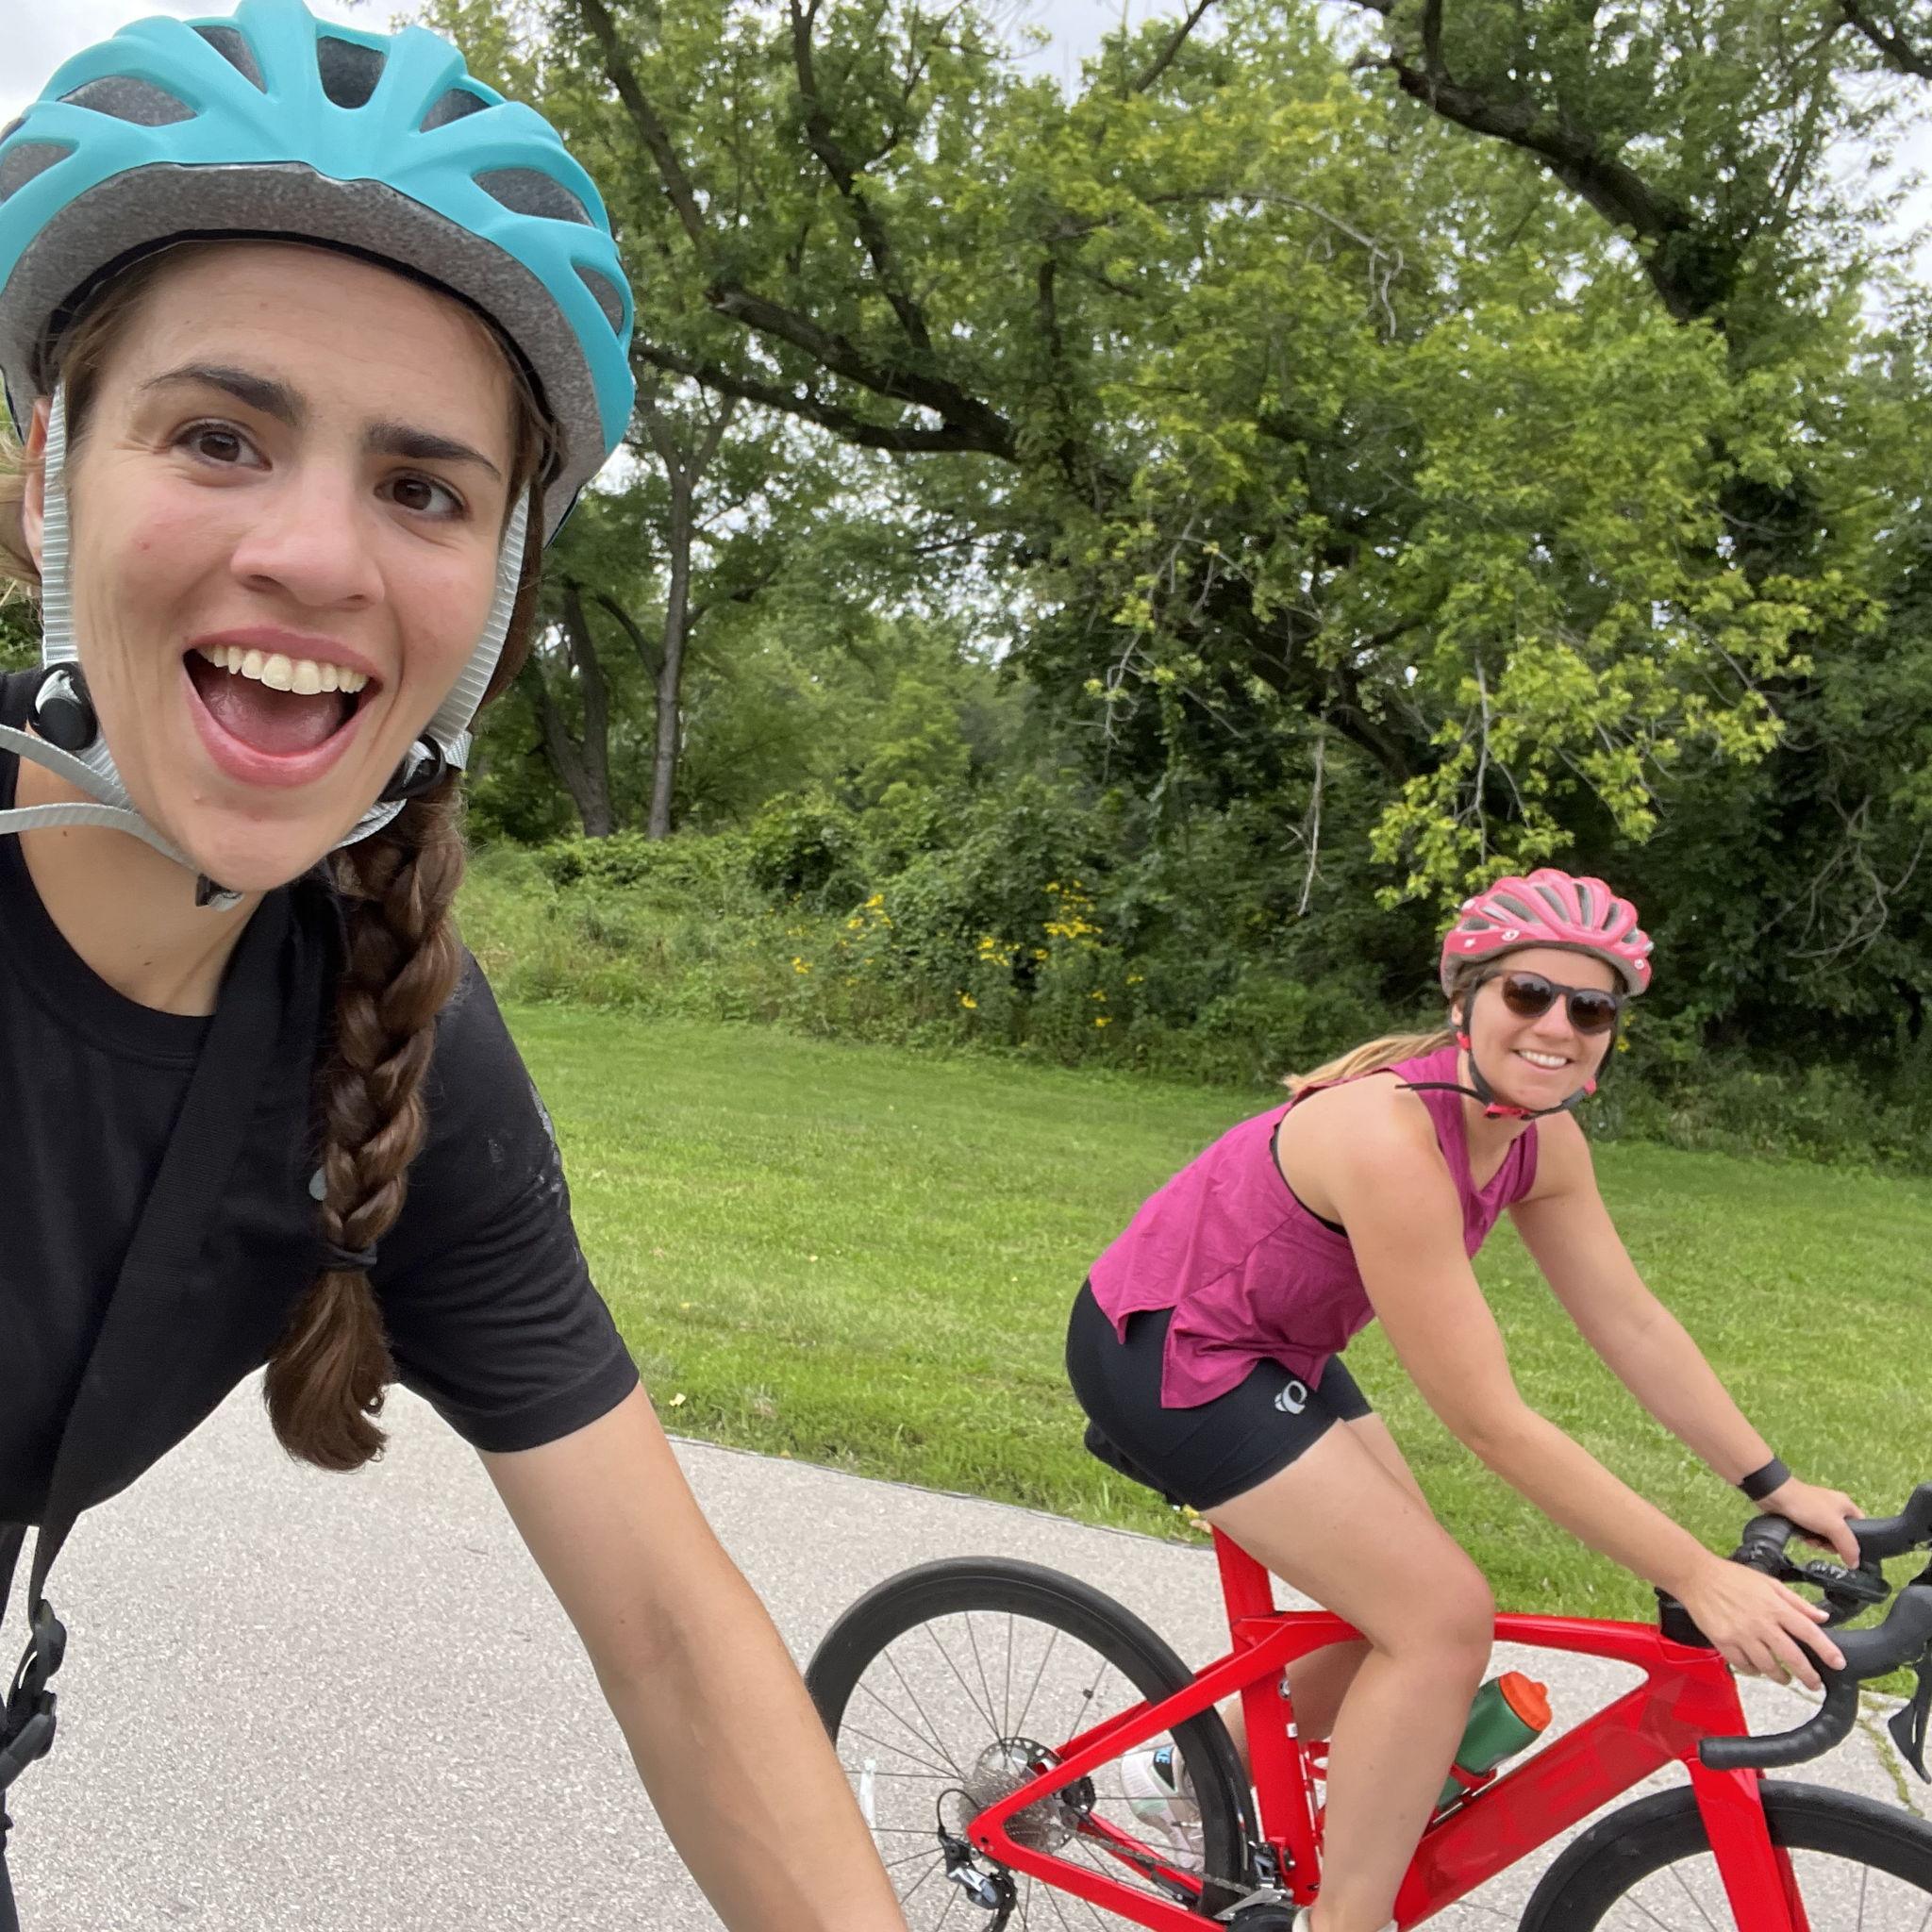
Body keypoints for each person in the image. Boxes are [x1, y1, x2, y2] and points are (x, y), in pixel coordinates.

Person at [0, 6, 904, 1927]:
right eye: (220, 435)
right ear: (41, 487)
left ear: (489, 606)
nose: (315, 555)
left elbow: (669, 1632)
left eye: (424, 488)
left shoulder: (387, 1043)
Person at [1064, 869, 1865, 1932]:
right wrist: (1691, 1573)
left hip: (1278, 1343)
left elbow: (1627, 1322)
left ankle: (1178, 1782)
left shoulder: (1541, 1138)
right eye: (1526, 995)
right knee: (1439, 1618)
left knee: (1396, 1596)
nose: (1556, 1026)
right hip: (1168, 1345)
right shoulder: (1387, 1141)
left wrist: (1771, 1479)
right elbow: (1487, 1416)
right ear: (1463, 1002)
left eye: (1589, 1008)